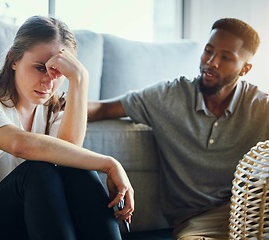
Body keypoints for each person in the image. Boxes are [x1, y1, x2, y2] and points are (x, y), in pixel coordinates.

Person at [0, 15, 134, 240]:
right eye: (40, 68)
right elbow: (20, 145)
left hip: (29, 226)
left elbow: (69, 155)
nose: (49, 81)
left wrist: (80, 80)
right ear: (13, 59)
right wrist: (109, 164)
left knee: (76, 167)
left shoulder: (52, 108)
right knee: (37, 171)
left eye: (58, 72)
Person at [88, 18, 269, 240]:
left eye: (226, 57)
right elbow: (102, 109)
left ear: (245, 69)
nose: (211, 62)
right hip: (197, 223)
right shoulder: (169, 95)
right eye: (208, 51)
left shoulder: (260, 106)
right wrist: (56, 102)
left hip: (249, 216)